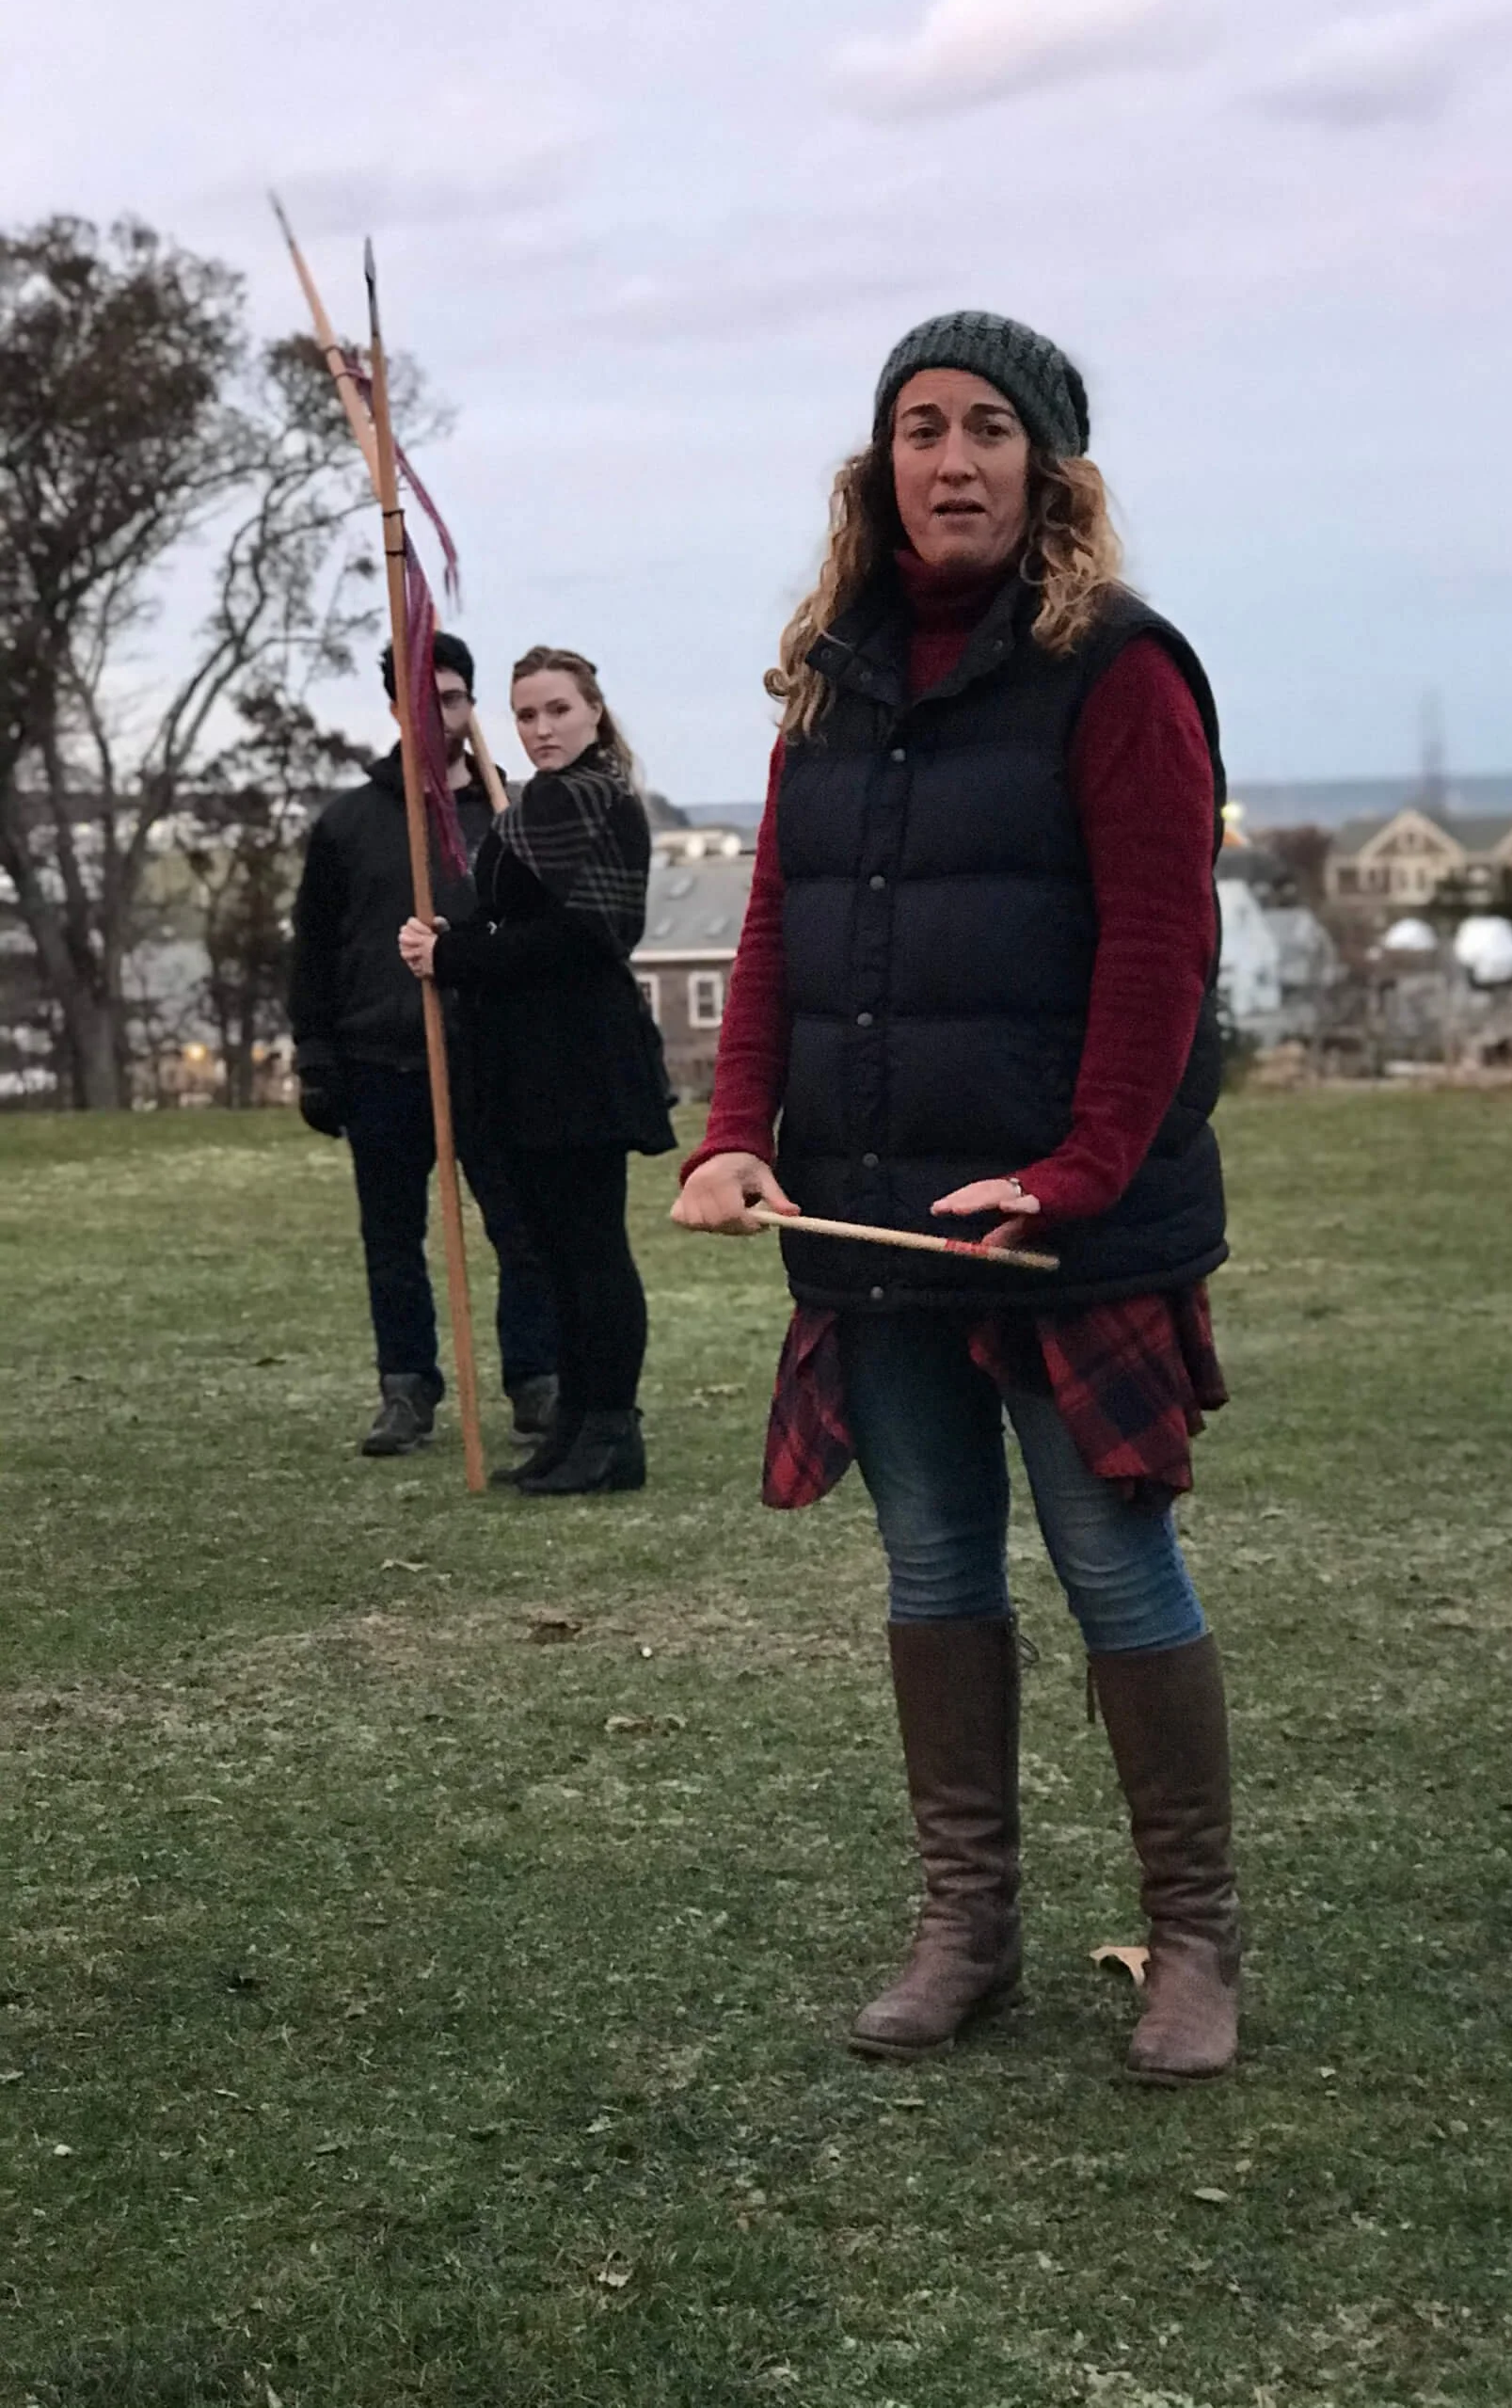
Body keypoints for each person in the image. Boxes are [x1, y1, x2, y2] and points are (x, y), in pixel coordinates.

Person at [672, 311, 1239, 2083]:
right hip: (869, 1219)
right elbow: (780, 926)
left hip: (1072, 1225)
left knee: (1109, 1563)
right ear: (880, 464)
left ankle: (1195, 1942)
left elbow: (1164, 951)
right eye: (920, 425)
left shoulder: (1124, 669)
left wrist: (1075, 1174)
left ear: (1050, 468)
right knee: (932, 1562)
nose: (952, 457)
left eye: (989, 426)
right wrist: (730, 1128)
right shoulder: (831, 678)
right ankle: (966, 1926)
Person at [400, 646, 676, 1496]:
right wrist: (453, 939)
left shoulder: (594, 799)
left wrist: (460, 953)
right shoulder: (534, 805)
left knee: (590, 1249)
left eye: (557, 709)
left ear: (594, 711)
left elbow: (589, 936)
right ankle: (573, 1426)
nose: (541, 728)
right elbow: (513, 920)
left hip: (580, 1058)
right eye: (525, 714)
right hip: (527, 1058)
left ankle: (611, 1431)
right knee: (549, 1252)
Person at [291, 631, 561, 1458]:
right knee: (393, 1238)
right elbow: (312, 950)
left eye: (451, 697)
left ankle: (537, 1382)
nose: (439, 713)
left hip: (492, 1059)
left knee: (520, 1229)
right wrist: (316, 1059)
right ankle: (405, 1388)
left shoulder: (513, 813)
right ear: (394, 707)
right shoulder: (350, 822)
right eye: (421, 697)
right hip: (383, 1061)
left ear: (470, 703)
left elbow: (550, 940)